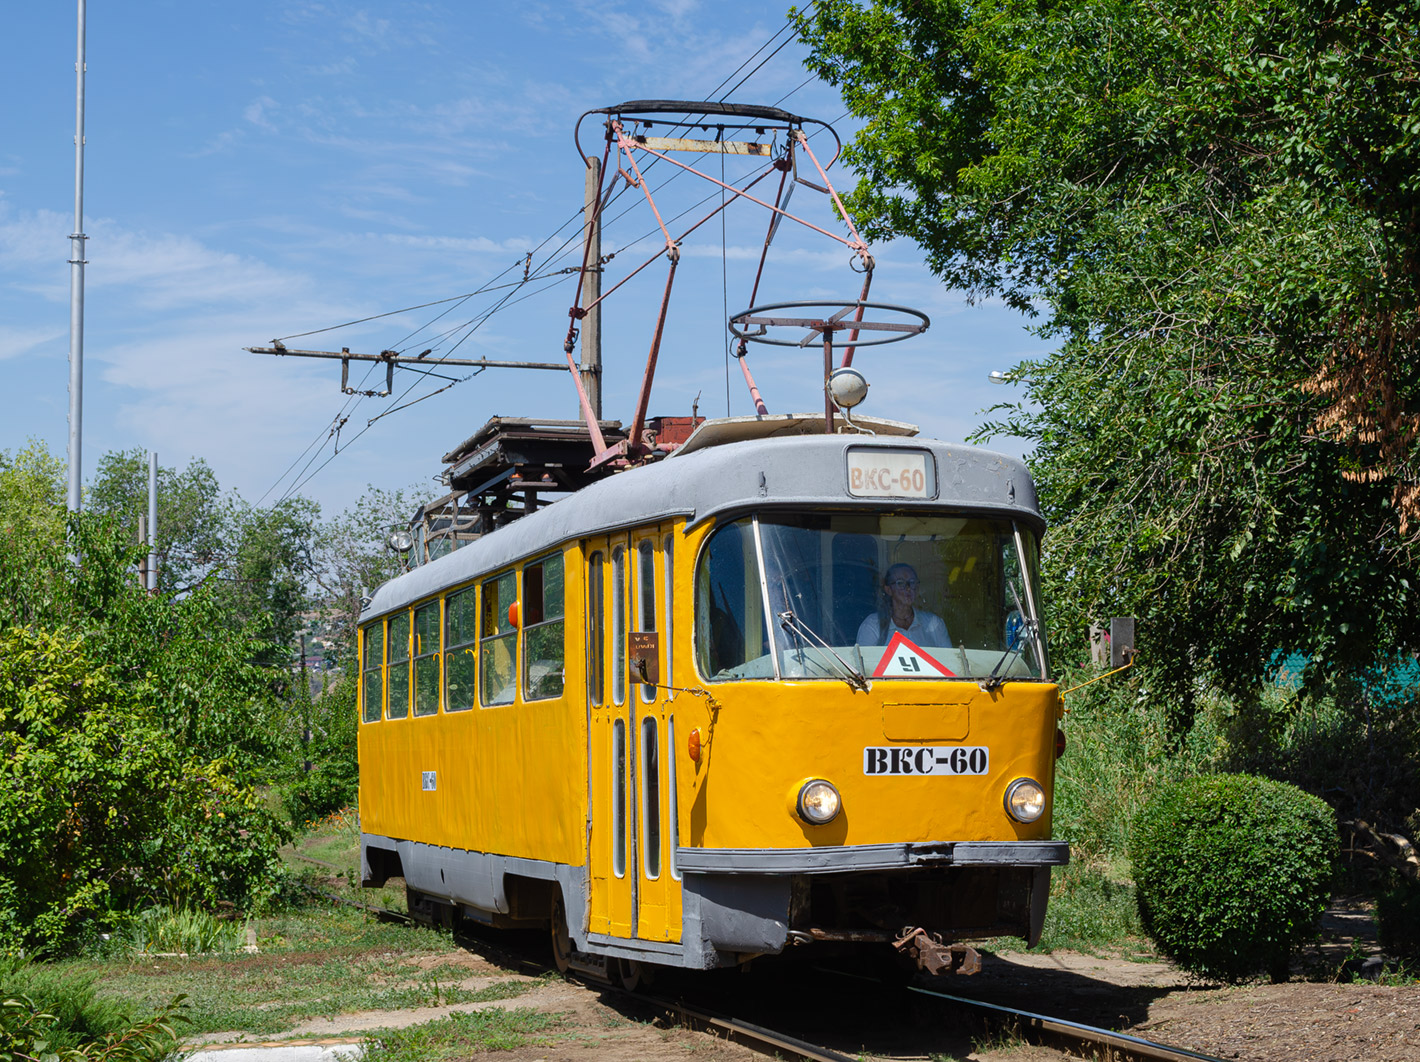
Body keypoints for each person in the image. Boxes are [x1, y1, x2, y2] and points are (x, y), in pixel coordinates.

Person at [855, 563, 951, 647]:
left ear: (917, 588)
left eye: (912, 582)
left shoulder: (933, 624)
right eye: (900, 583)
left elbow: (949, 662)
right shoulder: (873, 625)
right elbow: (865, 665)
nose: (908, 588)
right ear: (888, 590)